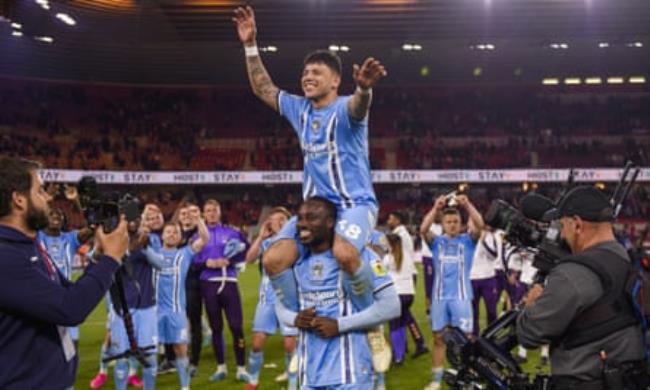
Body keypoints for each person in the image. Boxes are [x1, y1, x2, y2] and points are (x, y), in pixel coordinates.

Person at [234, 5, 391, 369]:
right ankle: (302, 323)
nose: (307, 77)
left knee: (345, 254)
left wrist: (364, 88)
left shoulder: (347, 111)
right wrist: (250, 45)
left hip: (355, 204)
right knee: (274, 259)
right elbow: (263, 88)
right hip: (312, 210)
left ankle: (371, 326)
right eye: (305, 72)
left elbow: (359, 104)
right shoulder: (299, 108)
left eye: (316, 72)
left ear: (335, 81)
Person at [0, 157, 128, 389]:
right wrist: (111, 259)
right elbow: (70, 308)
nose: (48, 199)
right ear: (19, 200)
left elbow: (67, 291)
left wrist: (99, 258)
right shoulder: (5, 256)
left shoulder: (28, 244)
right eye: (40, 192)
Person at [517, 186, 646, 388]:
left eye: (563, 227)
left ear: (577, 225)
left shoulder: (573, 274)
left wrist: (532, 304)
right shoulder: (622, 257)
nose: (562, 236)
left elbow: (529, 333)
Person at [275, 197, 400, 389]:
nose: (303, 224)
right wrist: (295, 319)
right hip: (310, 374)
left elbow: (391, 307)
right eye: (299, 218)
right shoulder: (295, 261)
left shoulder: (360, 256)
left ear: (331, 222)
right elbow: (280, 305)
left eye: (312, 218)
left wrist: (340, 325)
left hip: (351, 374)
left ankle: (375, 335)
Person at [420, 194, 484, 390]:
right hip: (439, 298)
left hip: (461, 298)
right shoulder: (436, 243)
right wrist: (435, 207)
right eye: (448, 221)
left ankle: (469, 377)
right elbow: (423, 229)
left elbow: (480, 225)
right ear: (442, 224)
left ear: (461, 223)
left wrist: (467, 204)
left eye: (456, 221)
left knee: (466, 341)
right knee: (439, 339)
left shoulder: (468, 242)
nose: (453, 224)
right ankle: (436, 381)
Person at [144, 214, 209, 390]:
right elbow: (138, 238)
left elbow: (205, 238)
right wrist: (144, 220)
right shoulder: (152, 252)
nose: (172, 235)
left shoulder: (185, 253)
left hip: (177, 311)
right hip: (154, 311)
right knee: (149, 352)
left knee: (181, 350)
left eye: (175, 232)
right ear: (162, 236)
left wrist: (199, 221)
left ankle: (185, 387)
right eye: (168, 232)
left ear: (180, 237)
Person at [192, 199, 251, 382]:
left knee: (236, 326)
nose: (211, 213)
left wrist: (230, 261)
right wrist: (206, 263)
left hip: (230, 281)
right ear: (204, 214)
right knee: (216, 327)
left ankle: (241, 368)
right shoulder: (198, 237)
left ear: (219, 212)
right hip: (209, 284)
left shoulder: (232, 232)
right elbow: (192, 262)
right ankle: (221, 367)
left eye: (214, 210)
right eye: (208, 210)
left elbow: (246, 251)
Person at [244, 207, 298, 390]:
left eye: (283, 219)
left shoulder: (295, 242)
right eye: (275, 220)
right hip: (266, 299)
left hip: (289, 301)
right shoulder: (266, 243)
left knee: (290, 345)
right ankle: (253, 381)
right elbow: (249, 259)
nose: (279, 222)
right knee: (257, 343)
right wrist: (260, 237)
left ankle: (292, 384)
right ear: (270, 224)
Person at [38, 206, 94, 347]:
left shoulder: (70, 238)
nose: (56, 216)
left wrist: (79, 204)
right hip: (44, 297)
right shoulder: (36, 237)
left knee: (72, 346)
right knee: (46, 347)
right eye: (51, 213)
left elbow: (88, 231)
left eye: (59, 214)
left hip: (66, 297)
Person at [386, 211, 429, 358]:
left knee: (402, 314)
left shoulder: (400, 235)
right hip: (407, 274)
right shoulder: (403, 233)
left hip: (403, 276)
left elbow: (396, 256)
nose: (388, 221)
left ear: (397, 220)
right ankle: (413, 344)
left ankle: (407, 346)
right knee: (404, 314)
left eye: (390, 218)